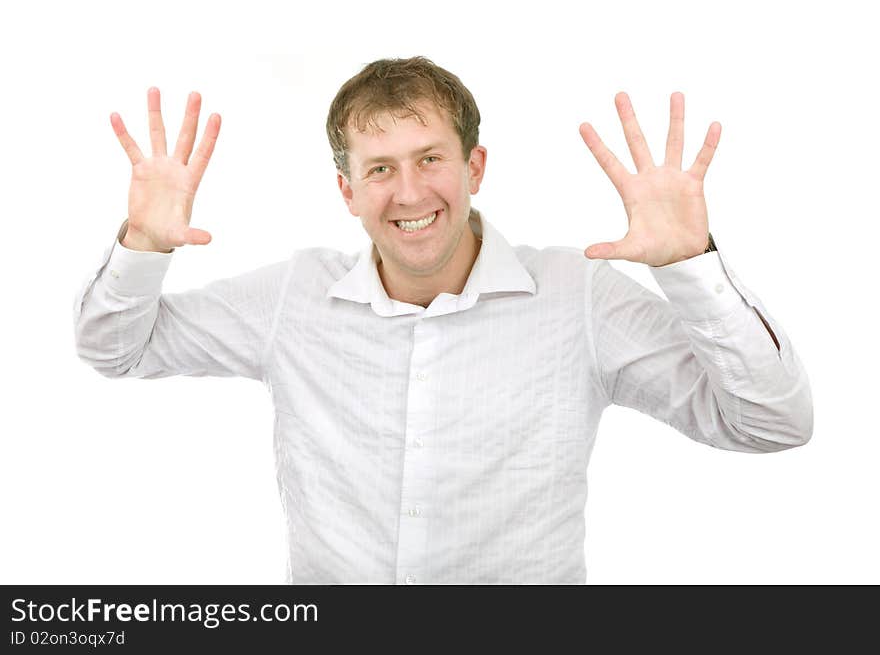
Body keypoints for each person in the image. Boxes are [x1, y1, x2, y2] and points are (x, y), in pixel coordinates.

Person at [73, 56, 813, 584]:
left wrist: (691, 264)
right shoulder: (292, 299)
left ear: (475, 168)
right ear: (348, 190)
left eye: (431, 158)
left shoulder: (577, 294)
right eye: (380, 167)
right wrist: (141, 245)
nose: (409, 191)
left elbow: (771, 422)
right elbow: (116, 348)